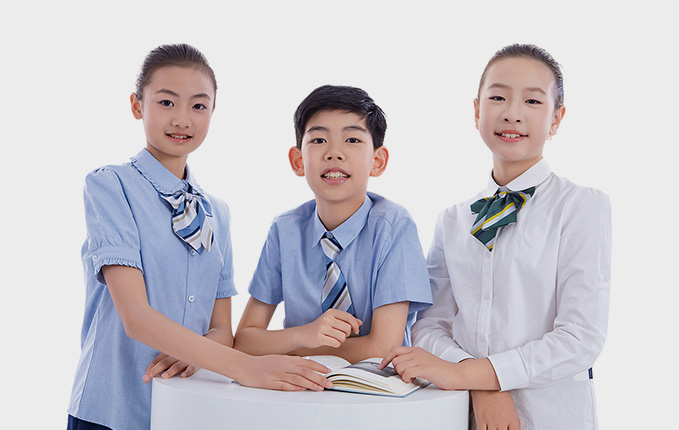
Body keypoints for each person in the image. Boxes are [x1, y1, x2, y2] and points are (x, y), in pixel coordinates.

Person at [67, 44, 330, 430]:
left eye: (199, 106)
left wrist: (195, 353)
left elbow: (221, 328)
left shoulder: (216, 214)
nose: (182, 119)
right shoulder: (111, 186)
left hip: (185, 408)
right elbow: (135, 316)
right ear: (137, 105)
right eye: (166, 102)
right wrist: (247, 367)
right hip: (112, 407)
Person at [380, 44, 611, 429]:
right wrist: (480, 384)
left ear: (556, 118)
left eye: (532, 101)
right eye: (498, 97)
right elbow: (428, 325)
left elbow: (580, 337)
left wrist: (476, 375)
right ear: (476, 111)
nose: (512, 113)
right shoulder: (453, 219)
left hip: (551, 416)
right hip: (459, 413)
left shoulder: (582, 206)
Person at [234, 85, 432, 363]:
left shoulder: (394, 226)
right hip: (300, 383)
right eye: (319, 140)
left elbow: (383, 348)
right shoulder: (285, 230)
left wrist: (293, 347)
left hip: (374, 384)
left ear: (377, 161)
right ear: (298, 161)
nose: (334, 153)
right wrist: (304, 335)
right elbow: (245, 340)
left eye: (352, 140)